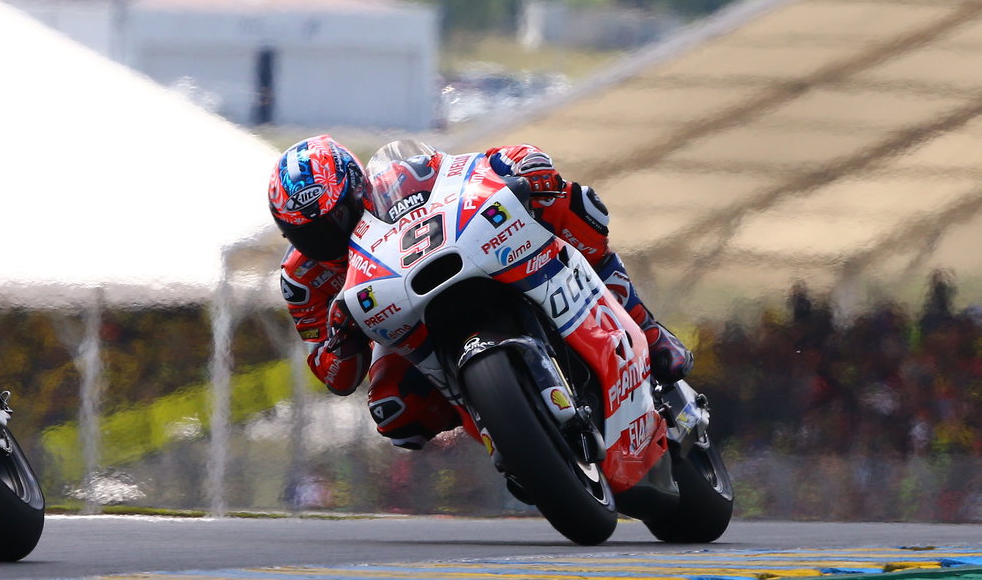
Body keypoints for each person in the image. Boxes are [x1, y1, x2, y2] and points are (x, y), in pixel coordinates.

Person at [266, 133, 692, 451]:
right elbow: (334, 376)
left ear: (357, 187)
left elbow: (467, 168)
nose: (327, 237)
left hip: (464, 255)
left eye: (336, 217)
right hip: (400, 324)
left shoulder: (400, 176)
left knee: (572, 204)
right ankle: (505, 429)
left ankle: (647, 328)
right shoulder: (301, 280)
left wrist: (522, 164)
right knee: (393, 411)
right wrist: (341, 339)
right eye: (309, 233)